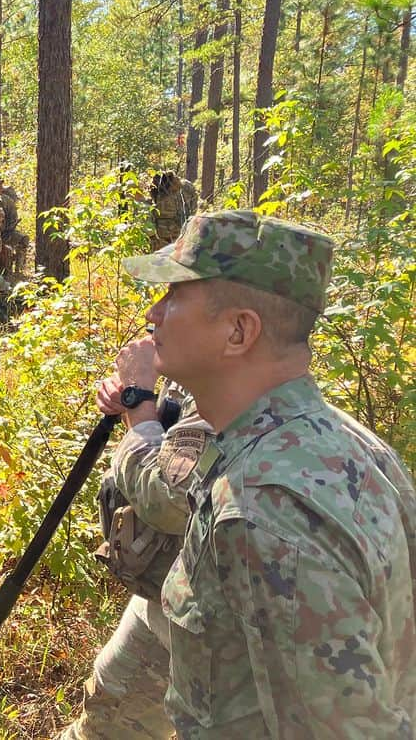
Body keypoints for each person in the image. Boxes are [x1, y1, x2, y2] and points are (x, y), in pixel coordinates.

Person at [123, 210, 415, 736]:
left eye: (174, 296)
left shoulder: (262, 510)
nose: (154, 312)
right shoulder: (349, 444)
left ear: (238, 331)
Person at [58, 337, 213, 740]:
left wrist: (141, 402)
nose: (156, 311)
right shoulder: (199, 363)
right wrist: (137, 401)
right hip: (166, 592)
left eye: (178, 295)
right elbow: (181, 434)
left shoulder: (241, 391)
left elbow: (168, 498)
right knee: (109, 705)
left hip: (210, 625)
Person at [0, 174, 30, 275]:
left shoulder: (7, 200)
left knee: (23, 239)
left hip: (6, 233)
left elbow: (13, 218)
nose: (0, 187)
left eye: (1, 184)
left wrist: (8, 230)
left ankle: (20, 270)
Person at [148, 170, 197, 250]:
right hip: (162, 237)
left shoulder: (187, 188)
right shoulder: (157, 192)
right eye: (173, 184)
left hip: (183, 235)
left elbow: (193, 207)